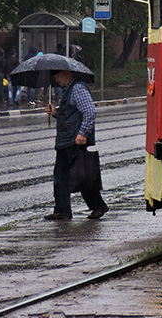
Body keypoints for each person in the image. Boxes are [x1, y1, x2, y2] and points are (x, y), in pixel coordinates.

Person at [43, 67, 108, 221]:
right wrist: (55, 113)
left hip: (73, 140)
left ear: (67, 73)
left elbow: (89, 111)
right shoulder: (69, 89)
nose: (56, 80)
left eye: (58, 76)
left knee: (63, 176)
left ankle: (63, 210)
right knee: (79, 175)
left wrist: (83, 133)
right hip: (68, 139)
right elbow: (71, 114)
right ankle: (97, 205)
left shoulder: (77, 88)